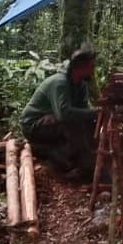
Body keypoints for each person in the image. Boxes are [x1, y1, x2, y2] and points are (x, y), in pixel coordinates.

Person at [20, 47, 99, 177]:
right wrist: (94, 113)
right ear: (80, 68)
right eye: (90, 67)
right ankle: (63, 160)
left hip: (53, 122)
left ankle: (85, 161)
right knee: (71, 123)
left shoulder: (81, 84)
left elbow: (84, 110)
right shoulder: (60, 83)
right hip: (33, 125)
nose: (93, 70)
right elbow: (64, 114)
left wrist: (95, 116)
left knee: (88, 122)